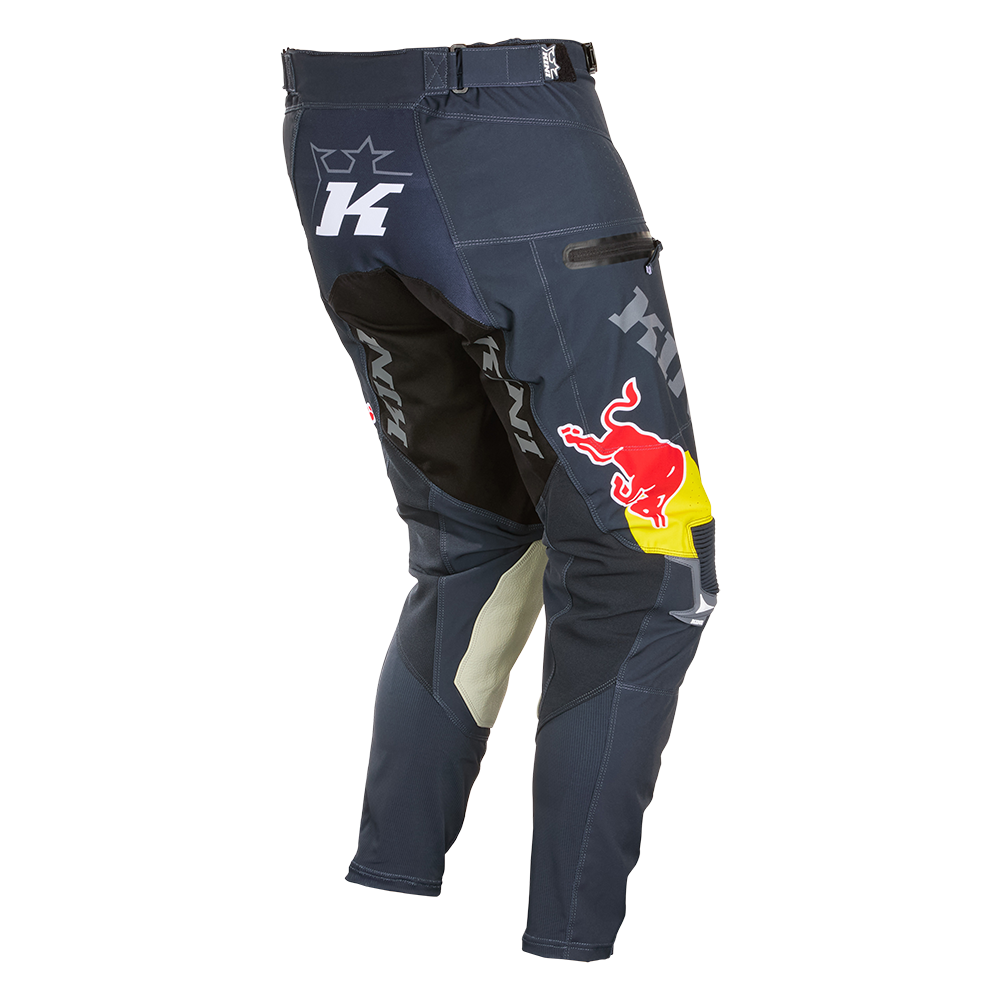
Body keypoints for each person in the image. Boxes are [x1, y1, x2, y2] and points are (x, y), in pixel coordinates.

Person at [280, 37, 718, 963]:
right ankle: (570, 960)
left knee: (475, 549)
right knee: (648, 564)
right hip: (509, 126)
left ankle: (387, 943)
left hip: (338, 140)